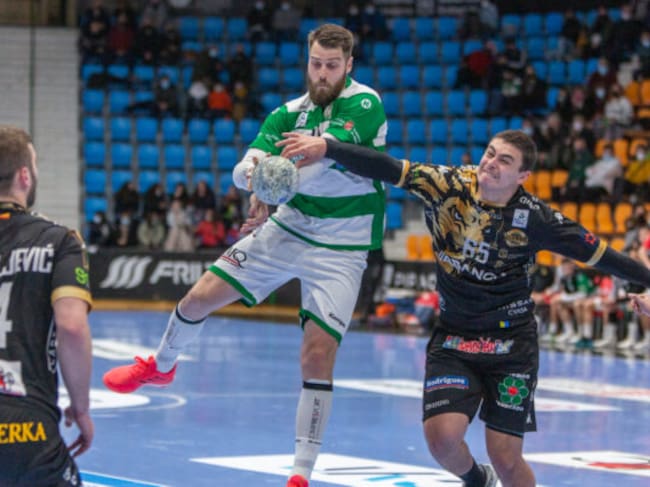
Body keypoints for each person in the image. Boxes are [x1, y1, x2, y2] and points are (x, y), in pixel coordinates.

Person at [275, 129, 650, 487]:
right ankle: (476, 479)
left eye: (505, 161)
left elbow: (602, 255)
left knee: (505, 457)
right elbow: (386, 167)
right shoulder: (448, 185)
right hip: (455, 337)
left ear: (523, 176)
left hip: (511, 346)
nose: (491, 163)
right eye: (490, 154)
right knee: (441, 439)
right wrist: (329, 148)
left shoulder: (536, 218)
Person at [103, 24, 387, 487]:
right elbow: (247, 163)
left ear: (348, 65)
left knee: (317, 356)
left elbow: (322, 162)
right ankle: (161, 366)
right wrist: (254, 179)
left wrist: (276, 184)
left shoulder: (364, 103)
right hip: (290, 227)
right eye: (316, 63)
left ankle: (300, 473)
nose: (322, 73)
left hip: (342, 244)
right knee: (198, 298)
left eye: (332, 66)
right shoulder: (287, 113)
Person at [0, 126, 94, 485]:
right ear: (25, 175)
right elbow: (71, 326)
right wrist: (80, 408)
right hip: (26, 428)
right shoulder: (58, 241)